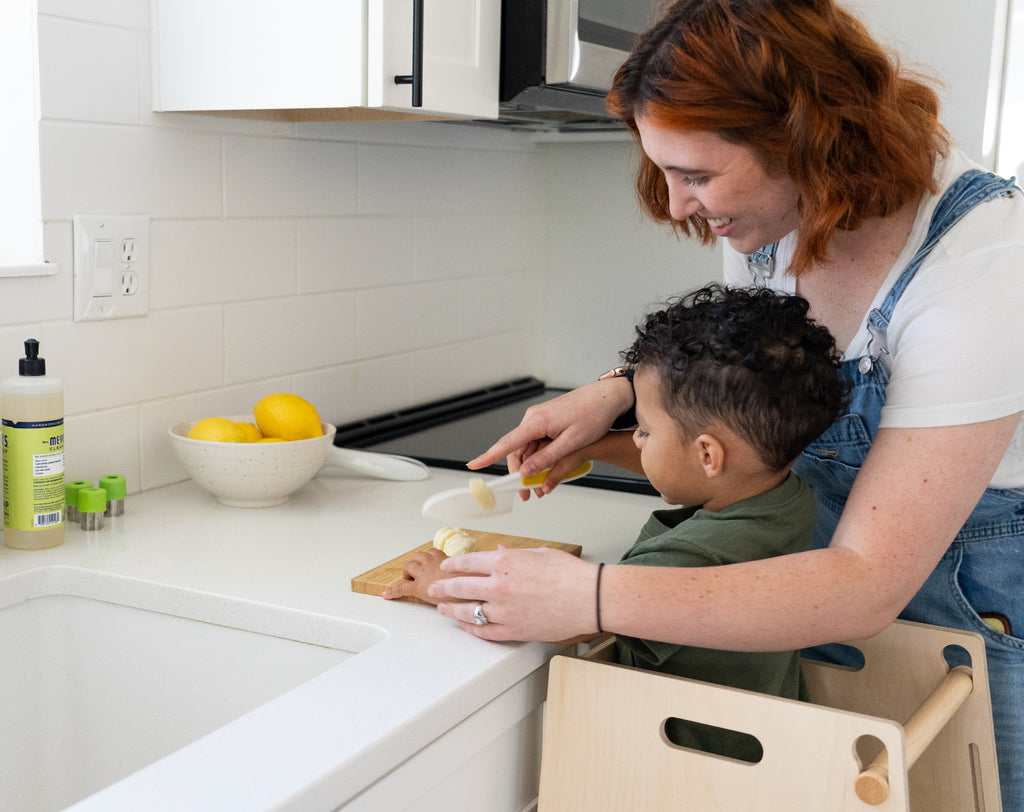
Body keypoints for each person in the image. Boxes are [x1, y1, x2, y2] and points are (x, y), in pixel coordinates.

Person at [425, 0, 1024, 807]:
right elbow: (743, 367)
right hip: (793, 604)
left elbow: (866, 583)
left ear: (807, 141)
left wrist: (583, 596)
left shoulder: (984, 266)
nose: (676, 207)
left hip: (963, 626)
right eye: (667, 170)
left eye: (697, 175)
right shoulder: (771, 224)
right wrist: (614, 395)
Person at [389, 284, 846, 760]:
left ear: (708, 453)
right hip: (768, 748)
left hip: (690, 764)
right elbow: (695, 467)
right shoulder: (788, 495)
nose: (637, 441)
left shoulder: (685, 558)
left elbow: (559, 615)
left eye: (643, 430)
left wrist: (440, 584)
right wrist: (584, 448)